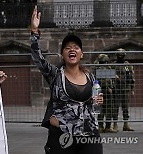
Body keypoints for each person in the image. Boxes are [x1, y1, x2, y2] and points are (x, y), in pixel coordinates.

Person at [31, 5, 104, 154]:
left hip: (89, 135)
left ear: (81, 54)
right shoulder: (55, 75)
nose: (72, 49)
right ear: (63, 54)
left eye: (76, 47)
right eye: (67, 47)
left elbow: (95, 107)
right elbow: (38, 59)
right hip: (62, 136)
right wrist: (34, 32)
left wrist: (98, 102)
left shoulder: (91, 77)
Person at [112, 48, 135, 131]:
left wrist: (132, 88)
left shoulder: (128, 65)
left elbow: (132, 77)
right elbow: (104, 73)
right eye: (119, 56)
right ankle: (115, 124)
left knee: (125, 107)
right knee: (115, 107)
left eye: (122, 56)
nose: (120, 57)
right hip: (116, 89)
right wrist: (112, 75)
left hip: (126, 88)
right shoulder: (113, 65)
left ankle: (126, 124)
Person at [94, 54, 117, 133]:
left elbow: (110, 78)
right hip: (105, 91)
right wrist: (108, 88)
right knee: (109, 108)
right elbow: (104, 81)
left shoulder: (98, 67)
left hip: (99, 91)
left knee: (101, 108)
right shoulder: (102, 68)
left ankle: (101, 126)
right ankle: (107, 126)